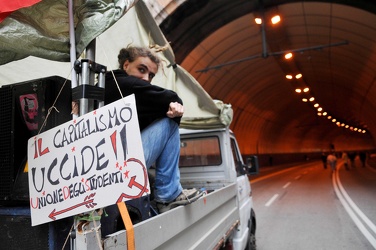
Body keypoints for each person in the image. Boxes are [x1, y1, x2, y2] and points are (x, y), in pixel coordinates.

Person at [104, 46, 202, 213]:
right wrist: (172, 106)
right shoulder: (117, 82)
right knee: (169, 124)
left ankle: (164, 193)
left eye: (151, 75)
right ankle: (168, 195)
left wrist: (169, 109)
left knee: (166, 119)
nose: (145, 78)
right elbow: (170, 98)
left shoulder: (130, 94)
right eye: (141, 69)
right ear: (126, 65)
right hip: (113, 170)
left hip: (110, 167)